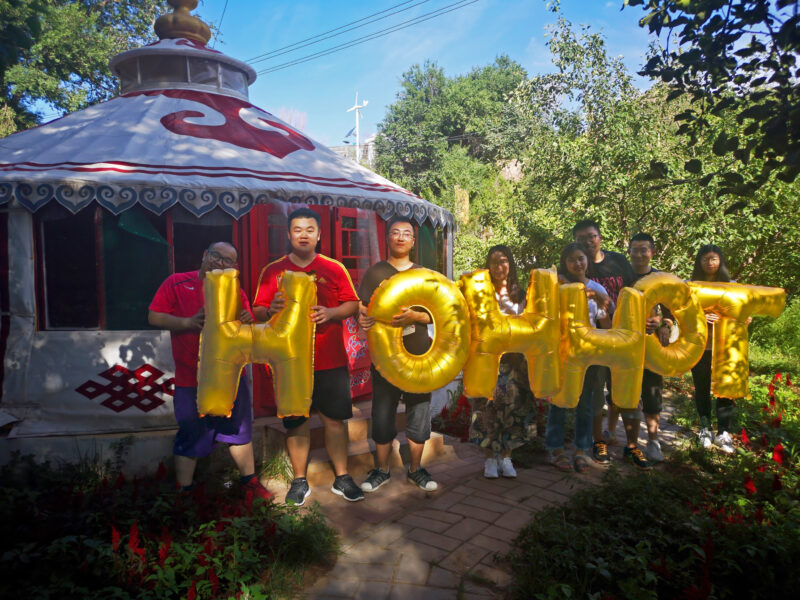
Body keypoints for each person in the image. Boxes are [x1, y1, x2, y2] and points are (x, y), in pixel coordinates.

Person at [253, 207, 363, 504]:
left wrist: (332, 312)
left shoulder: (333, 268)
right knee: (296, 421)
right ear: (288, 234)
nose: (304, 235)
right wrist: (270, 310)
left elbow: (352, 304)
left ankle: (342, 477)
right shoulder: (273, 271)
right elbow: (257, 311)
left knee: (335, 420)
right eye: (298, 229)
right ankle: (299, 481)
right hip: (290, 362)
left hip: (330, 359)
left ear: (319, 235)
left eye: (309, 230)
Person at [148, 242, 272, 500]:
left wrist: (247, 320)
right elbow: (154, 316)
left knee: (239, 429)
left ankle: (249, 482)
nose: (220, 263)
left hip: (230, 376)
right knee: (191, 430)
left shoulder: (235, 290)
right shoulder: (177, 282)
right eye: (216, 256)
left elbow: (247, 333)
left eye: (228, 261)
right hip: (190, 378)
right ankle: (185, 490)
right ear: (205, 255)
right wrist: (188, 322)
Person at [357, 216, 438, 493]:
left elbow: (439, 313)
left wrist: (416, 315)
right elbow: (363, 306)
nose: (401, 237)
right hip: (385, 357)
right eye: (395, 232)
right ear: (388, 238)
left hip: (419, 353)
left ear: (413, 242)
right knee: (382, 411)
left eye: (406, 233)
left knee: (419, 410)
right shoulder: (375, 272)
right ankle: (382, 470)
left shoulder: (424, 274)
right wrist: (362, 318)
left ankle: (416, 469)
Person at [572, 219, 649, 469]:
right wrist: (595, 294)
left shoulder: (617, 261)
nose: (588, 241)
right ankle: (598, 441)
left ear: (600, 237)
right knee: (595, 394)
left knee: (628, 395)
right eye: (582, 237)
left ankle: (633, 445)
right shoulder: (577, 266)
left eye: (592, 236)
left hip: (626, 337)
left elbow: (637, 291)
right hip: (595, 342)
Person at [469, 245, 537, 479]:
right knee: (486, 408)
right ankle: (489, 459)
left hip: (515, 361)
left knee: (514, 408)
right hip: (487, 360)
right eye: (494, 262)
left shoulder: (521, 294)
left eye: (504, 261)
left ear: (511, 264)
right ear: (488, 266)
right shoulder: (481, 292)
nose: (499, 266)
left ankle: (506, 457)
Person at [547, 243, 610, 472]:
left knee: (586, 404)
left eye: (581, 258)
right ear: (565, 263)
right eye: (572, 259)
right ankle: (555, 449)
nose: (577, 263)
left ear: (587, 261)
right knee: (558, 404)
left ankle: (582, 450)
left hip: (589, 356)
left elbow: (605, 325)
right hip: (562, 355)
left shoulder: (598, 289)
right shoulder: (557, 286)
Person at [629, 233, 674, 463]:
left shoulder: (661, 279)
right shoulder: (623, 277)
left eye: (644, 250)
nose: (639, 254)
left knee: (652, 392)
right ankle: (631, 444)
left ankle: (653, 441)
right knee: (625, 394)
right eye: (635, 250)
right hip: (626, 345)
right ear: (629, 252)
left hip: (652, 347)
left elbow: (673, 310)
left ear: (652, 252)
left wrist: (664, 324)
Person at [689, 244, 735, 454]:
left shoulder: (732, 285)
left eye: (714, 259)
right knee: (702, 386)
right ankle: (705, 428)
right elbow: (681, 312)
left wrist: (743, 317)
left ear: (720, 261)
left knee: (725, 389)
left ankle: (723, 433)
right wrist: (701, 316)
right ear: (699, 261)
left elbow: (742, 313)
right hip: (700, 346)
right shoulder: (690, 286)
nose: (710, 263)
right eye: (705, 258)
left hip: (726, 346)